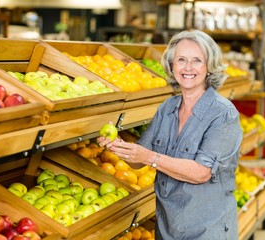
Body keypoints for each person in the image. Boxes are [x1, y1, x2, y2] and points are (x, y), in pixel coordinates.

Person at [97, 30, 243, 239]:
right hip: (167, 228)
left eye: (197, 61)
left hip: (207, 230)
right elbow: (140, 159)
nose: (188, 67)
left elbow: (201, 172)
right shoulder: (167, 109)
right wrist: (117, 146)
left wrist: (150, 158)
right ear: (172, 66)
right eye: (181, 60)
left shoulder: (223, 114)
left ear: (209, 67)